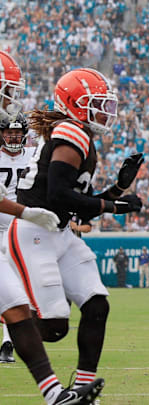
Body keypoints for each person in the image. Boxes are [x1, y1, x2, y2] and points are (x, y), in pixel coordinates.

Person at [11, 68, 143, 393]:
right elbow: (57, 195)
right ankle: (7, 312)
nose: (104, 111)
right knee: (55, 327)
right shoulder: (72, 130)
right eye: (96, 103)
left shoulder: (80, 135)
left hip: (59, 232)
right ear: (74, 104)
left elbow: (77, 202)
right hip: (34, 231)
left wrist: (117, 190)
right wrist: (114, 206)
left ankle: (84, 391)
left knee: (97, 305)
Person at [0, 51, 105, 404]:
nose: (9, 97)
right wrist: (27, 213)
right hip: (25, 231)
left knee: (16, 310)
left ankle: (57, 396)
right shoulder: (67, 136)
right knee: (22, 312)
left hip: (21, 230)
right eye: (6, 87)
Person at [0, 112, 33, 364]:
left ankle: (7, 342)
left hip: (19, 231)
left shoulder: (33, 156)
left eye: (17, 132)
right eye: (9, 132)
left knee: (15, 288)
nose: (13, 136)